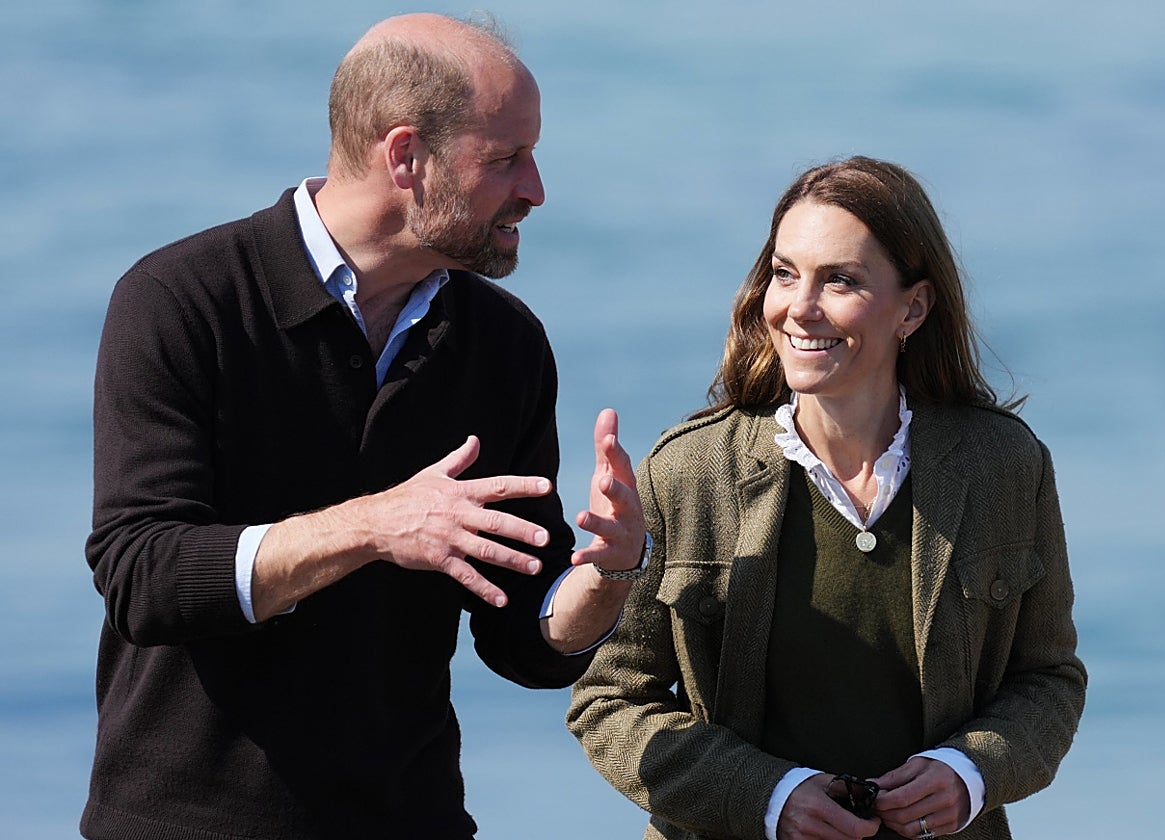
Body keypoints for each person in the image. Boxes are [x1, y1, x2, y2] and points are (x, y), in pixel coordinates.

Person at [83, 13, 648, 840]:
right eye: (506, 158)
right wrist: (375, 526)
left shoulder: (505, 343)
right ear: (405, 156)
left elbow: (522, 634)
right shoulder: (180, 300)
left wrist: (608, 576)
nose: (535, 189)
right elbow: (145, 577)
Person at [568, 156, 1086, 840]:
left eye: (840, 280)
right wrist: (766, 797)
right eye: (785, 274)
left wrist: (970, 772)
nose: (798, 308)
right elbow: (610, 701)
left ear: (913, 308)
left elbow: (1048, 679)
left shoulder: (1005, 466)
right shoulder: (688, 472)